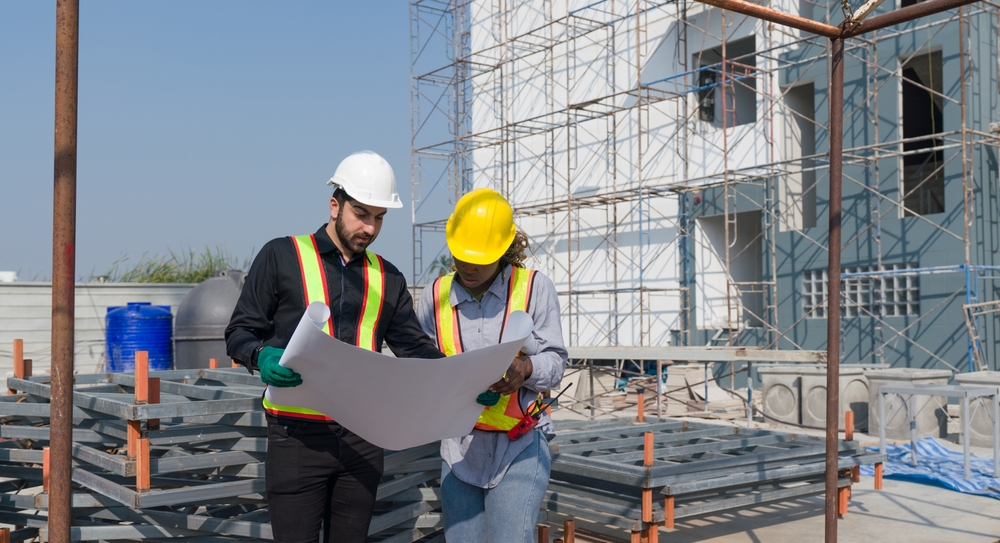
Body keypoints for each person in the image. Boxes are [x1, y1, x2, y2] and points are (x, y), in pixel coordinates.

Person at [225, 150, 445, 543]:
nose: (370, 228)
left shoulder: (388, 277)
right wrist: (261, 356)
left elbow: (416, 350)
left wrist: (459, 380)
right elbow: (239, 331)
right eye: (361, 213)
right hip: (296, 438)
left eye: (379, 218)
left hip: (362, 438)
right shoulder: (281, 256)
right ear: (334, 204)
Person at [416, 188, 568, 543]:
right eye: (461, 256)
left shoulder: (534, 290)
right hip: (459, 450)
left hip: (519, 445)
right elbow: (418, 363)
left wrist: (526, 369)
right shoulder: (433, 297)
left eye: (479, 259)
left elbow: (557, 363)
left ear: (503, 249)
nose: (467, 266)